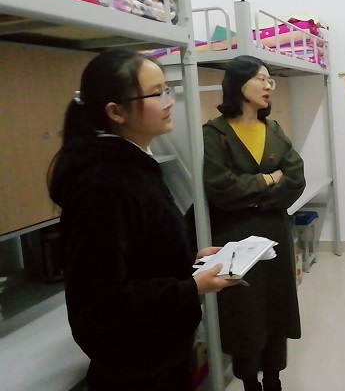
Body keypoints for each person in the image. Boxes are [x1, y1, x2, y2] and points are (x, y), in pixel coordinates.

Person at [47, 49, 239, 391]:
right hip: (135, 362)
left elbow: (140, 253)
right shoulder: (103, 184)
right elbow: (104, 299)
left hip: (159, 351)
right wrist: (193, 286)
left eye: (168, 90)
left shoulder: (134, 165)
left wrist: (189, 260)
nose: (169, 101)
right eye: (156, 94)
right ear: (116, 112)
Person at [202, 55, 305, 391]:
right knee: (243, 311)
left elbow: (296, 178)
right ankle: (249, 381)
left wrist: (255, 196)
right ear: (238, 84)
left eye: (269, 79)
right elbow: (221, 188)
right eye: (260, 78)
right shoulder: (215, 133)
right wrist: (269, 179)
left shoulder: (273, 130)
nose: (267, 85)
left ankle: (273, 378)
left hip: (274, 231)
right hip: (235, 235)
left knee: (276, 306)